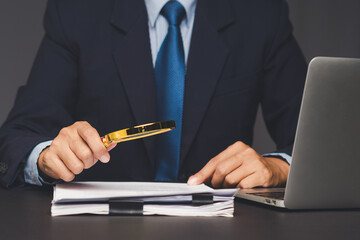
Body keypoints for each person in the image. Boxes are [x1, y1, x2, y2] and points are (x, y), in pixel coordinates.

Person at [0, 0, 307, 189]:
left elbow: (320, 143)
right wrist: (44, 157)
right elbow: (18, 136)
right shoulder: (77, 11)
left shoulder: (262, 14)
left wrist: (278, 167)